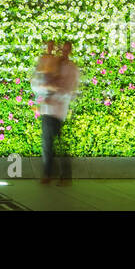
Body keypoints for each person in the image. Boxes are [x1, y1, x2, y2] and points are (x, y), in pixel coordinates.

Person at [31, 40, 80, 184]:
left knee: (59, 143)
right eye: (61, 49)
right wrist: (46, 89)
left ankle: (65, 176)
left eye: (66, 50)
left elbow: (69, 90)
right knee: (47, 144)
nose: (62, 52)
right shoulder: (51, 63)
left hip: (58, 111)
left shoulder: (71, 68)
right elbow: (37, 82)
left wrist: (53, 92)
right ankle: (48, 174)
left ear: (69, 51)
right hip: (47, 110)